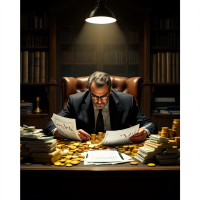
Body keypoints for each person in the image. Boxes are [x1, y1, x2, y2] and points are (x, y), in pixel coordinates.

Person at [44, 71, 158, 142]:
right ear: (89, 91)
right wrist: (61, 132)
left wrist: (145, 131)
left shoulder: (127, 101)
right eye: (94, 96)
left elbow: (150, 124)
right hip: (84, 151)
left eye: (104, 96)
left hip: (118, 151)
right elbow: (50, 124)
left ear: (110, 90)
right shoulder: (76, 101)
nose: (99, 101)